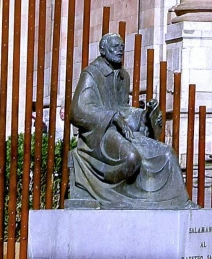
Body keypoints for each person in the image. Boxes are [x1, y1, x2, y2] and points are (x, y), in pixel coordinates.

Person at [65, 30, 190, 209]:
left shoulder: (124, 76)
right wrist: (111, 116)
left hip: (121, 130)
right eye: (115, 47)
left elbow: (122, 108)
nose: (120, 51)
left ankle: (177, 202)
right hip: (99, 135)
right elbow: (77, 111)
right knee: (132, 158)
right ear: (103, 50)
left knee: (167, 153)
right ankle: (118, 198)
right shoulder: (91, 75)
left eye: (122, 48)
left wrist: (144, 115)